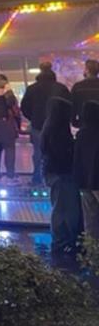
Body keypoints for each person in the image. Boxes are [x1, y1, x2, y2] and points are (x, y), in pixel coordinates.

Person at [40, 96, 82, 255]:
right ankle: (64, 241)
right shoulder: (59, 132)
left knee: (59, 207)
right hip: (62, 174)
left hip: (53, 173)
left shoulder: (49, 127)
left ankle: (60, 241)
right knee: (66, 209)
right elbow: (63, 154)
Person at [20, 62, 70, 185]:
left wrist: (33, 117)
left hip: (38, 125)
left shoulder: (32, 88)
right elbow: (69, 106)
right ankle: (59, 179)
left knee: (38, 153)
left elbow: (24, 107)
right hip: (58, 126)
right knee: (58, 151)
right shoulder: (61, 88)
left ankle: (38, 178)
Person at [74, 101, 99, 240]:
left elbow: (77, 159)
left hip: (86, 183)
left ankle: (92, 249)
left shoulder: (81, 134)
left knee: (90, 220)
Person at [71, 59, 99, 128]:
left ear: (87, 70)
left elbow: (72, 106)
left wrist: (74, 122)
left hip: (83, 123)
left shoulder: (77, 87)